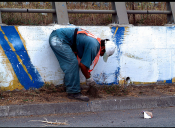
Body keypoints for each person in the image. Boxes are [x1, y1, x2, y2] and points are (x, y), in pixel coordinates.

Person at [49, 27, 116, 102]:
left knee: (73, 62)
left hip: (59, 37)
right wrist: (89, 79)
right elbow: (83, 66)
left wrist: (88, 75)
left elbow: (84, 64)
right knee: (72, 63)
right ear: (103, 48)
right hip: (58, 39)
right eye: (103, 53)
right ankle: (73, 92)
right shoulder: (94, 46)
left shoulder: (95, 42)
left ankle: (71, 86)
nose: (101, 55)